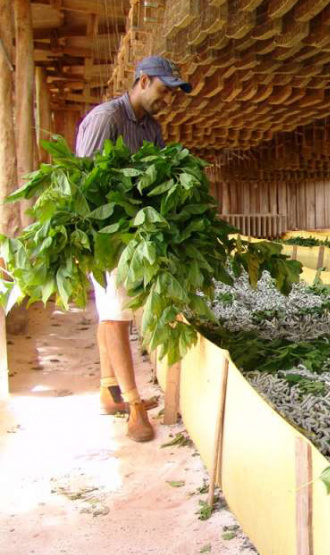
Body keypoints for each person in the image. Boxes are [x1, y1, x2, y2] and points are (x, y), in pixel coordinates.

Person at [75, 56, 192, 442]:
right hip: (108, 233)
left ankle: (110, 389)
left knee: (115, 311)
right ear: (143, 81)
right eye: (163, 90)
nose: (166, 99)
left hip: (136, 232)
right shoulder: (107, 118)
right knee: (115, 315)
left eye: (171, 94)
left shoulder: (152, 130)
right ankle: (135, 405)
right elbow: (82, 180)